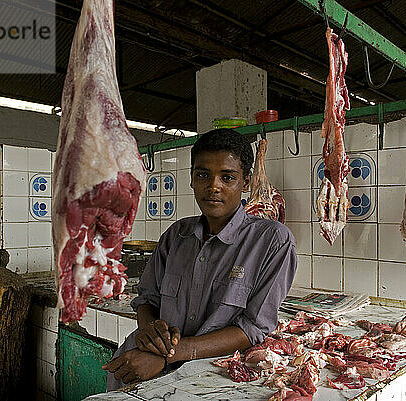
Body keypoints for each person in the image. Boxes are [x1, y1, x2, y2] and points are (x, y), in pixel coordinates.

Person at [104, 128, 297, 390]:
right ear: (192, 179)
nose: (213, 186)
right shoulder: (176, 235)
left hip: (210, 377)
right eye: (203, 175)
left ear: (246, 182)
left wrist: (168, 354)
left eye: (227, 177)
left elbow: (252, 329)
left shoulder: (272, 241)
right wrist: (151, 332)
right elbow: (147, 300)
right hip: (142, 360)